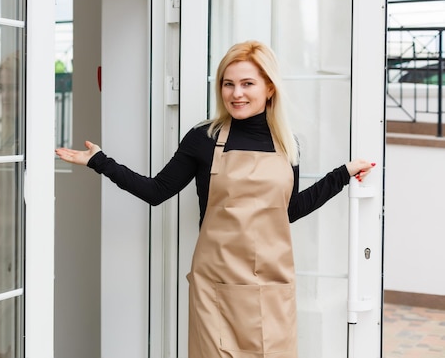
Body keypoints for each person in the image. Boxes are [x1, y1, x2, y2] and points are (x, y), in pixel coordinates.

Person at [55, 40, 375, 358]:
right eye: (228, 84)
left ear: (269, 88)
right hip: (216, 292)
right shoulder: (204, 139)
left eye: (247, 83)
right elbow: (156, 192)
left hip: (271, 292)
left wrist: (342, 175)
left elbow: (288, 211)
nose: (236, 93)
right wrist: (99, 161)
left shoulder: (287, 145)